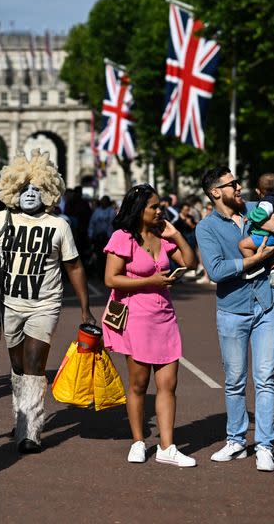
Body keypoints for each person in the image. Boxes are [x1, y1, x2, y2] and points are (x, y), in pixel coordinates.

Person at [0, 149, 95, 454]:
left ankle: (31, 432)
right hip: (9, 304)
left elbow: (74, 266)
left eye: (36, 188)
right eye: (24, 188)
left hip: (45, 304)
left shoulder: (59, 226)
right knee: (17, 366)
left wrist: (85, 308)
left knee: (34, 364)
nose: (29, 194)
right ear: (12, 190)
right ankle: (21, 414)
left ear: (48, 191)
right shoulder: (1, 219)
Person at [195, 166, 274, 472]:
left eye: (239, 182)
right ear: (216, 192)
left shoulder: (259, 209)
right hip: (232, 310)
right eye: (232, 184)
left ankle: (265, 446)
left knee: (265, 379)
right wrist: (252, 261)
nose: (240, 187)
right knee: (234, 381)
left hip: (267, 305)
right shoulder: (206, 228)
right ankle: (237, 440)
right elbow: (215, 271)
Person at [102, 184, 197, 466]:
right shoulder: (122, 237)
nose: (160, 210)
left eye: (160, 206)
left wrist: (177, 234)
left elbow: (190, 263)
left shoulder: (161, 235)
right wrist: (150, 281)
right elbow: (111, 279)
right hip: (136, 318)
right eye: (154, 206)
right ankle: (138, 441)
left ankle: (167, 447)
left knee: (168, 384)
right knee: (139, 384)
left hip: (164, 316)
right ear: (138, 210)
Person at [237, 173, 274, 287]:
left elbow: (262, 213)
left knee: (243, 245)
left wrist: (249, 216)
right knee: (272, 255)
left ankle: (254, 267)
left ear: (257, 191)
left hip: (263, 236)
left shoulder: (266, 202)